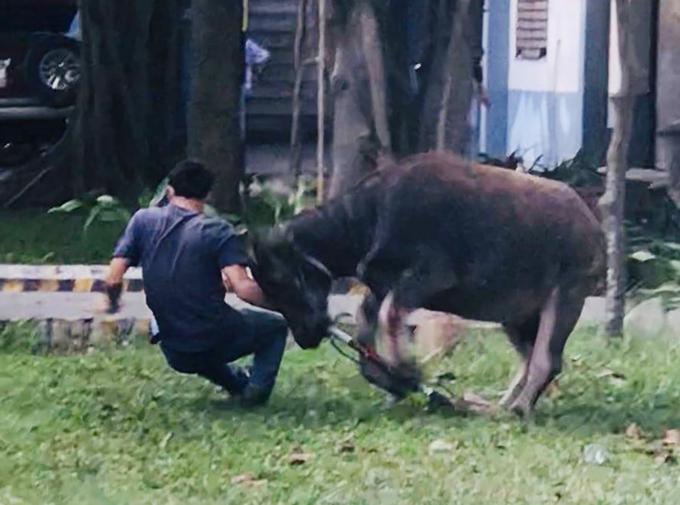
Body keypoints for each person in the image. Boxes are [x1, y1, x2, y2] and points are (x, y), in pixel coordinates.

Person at [105, 160, 288, 407]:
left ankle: (237, 385)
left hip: (174, 349)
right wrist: (286, 306)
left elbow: (114, 277)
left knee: (199, 336)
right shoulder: (217, 231)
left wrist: (113, 304)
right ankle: (255, 393)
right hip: (213, 338)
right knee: (274, 327)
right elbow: (244, 288)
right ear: (207, 195)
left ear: (169, 191)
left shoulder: (142, 221)